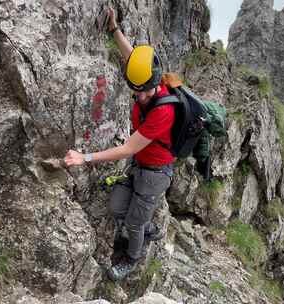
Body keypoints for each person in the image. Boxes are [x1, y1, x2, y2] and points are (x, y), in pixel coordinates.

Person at [64, 8, 175, 281]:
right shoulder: (146, 76)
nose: (141, 96)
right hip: (140, 166)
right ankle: (147, 226)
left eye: (146, 90)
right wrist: (114, 29)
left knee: (134, 223)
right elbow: (132, 57)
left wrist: (85, 158)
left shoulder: (164, 111)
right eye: (137, 90)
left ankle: (132, 259)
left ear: (156, 82)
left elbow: (127, 148)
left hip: (156, 173)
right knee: (117, 208)